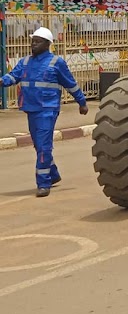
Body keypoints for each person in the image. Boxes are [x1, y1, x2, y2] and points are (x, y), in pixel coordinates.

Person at [0, 27, 88, 197]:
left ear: (48, 44)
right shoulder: (25, 62)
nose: (33, 44)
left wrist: (82, 102)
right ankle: (53, 174)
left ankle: (43, 183)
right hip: (31, 109)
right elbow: (13, 77)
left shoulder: (56, 62)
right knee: (39, 145)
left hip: (47, 110)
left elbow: (70, 84)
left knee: (44, 146)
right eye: (33, 41)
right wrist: (2, 81)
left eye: (38, 41)